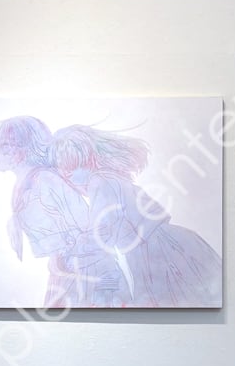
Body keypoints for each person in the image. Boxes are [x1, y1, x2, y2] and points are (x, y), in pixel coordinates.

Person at [49, 124, 223, 307]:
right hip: (159, 248)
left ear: (90, 159)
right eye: (61, 170)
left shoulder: (99, 182)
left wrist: (69, 253)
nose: (66, 176)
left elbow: (101, 232)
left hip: (161, 252)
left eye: (71, 167)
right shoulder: (108, 179)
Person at [0, 116, 127, 307]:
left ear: (25, 147)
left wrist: (72, 260)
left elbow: (88, 227)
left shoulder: (46, 180)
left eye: (6, 145)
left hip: (89, 273)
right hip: (63, 273)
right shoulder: (21, 188)